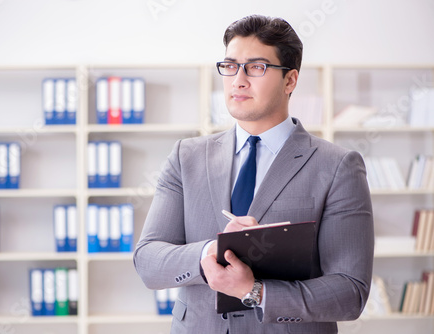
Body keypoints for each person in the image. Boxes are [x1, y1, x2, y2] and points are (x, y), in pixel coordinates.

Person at [133, 14, 374, 334]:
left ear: (290, 81)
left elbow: (349, 292)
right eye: (230, 66)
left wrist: (255, 292)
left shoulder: (337, 166)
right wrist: (209, 251)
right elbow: (149, 261)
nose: (238, 79)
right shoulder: (186, 157)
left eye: (257, 67)